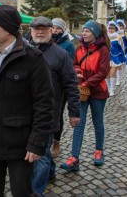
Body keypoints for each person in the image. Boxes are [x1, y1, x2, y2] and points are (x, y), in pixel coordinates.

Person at [0, 5, 54, 196]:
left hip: (20, 144)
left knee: (21, 192)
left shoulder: (33, 58)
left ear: (8, 28)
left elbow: (45, 104)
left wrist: (37, 142)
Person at [29, 17, 80, 196]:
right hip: (26, 112)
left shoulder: (61, 55)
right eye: (36, 29)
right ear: (31, 30)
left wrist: (74, 112)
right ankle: (50, 173)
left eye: (44, 29)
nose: (40, 32)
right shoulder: (24, 51)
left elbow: (71, 85)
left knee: (40, 153)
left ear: (52, 31)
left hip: (49, 113)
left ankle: (36, 192)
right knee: (40, 150)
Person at [60, 21, 110, 171]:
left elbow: (103, 72)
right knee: (78, 123)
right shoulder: (79, 48)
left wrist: (86, 83)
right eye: (84, 31)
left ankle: (99, 152)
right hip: (82, 92)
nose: (84, 33)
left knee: (98, 122)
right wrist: (79, 75)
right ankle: (74, 158)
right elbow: (74, 64)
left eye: (87, 31)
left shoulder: (103, 50)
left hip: (98, 91)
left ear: (95, 34)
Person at [50, 17, 76, 159]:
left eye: (58, 28)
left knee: (57, 114)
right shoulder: (47, 42)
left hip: (60, 86)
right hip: (47, 85)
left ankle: (56, 142)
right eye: (53, 28)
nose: (55, 30)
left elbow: (69, 67)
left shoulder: (68, 45)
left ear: (63, 29)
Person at [106, 21, 126, 96]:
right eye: (109, 29)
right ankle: (108, 88)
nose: (111, 30)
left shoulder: (119, 38)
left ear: (115, 29)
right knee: (107, 75)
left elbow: (122, 48)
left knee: (112, 73)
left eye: (112, 29)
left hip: (115, 57)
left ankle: (112, 90)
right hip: (107, 57)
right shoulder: (105, 37)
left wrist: (122, 58)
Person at [116, 19, 127, 86]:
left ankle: (118, 79)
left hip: (123, 51)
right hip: (115, 51)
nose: (120, 27)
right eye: (119, 26)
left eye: (121, 26)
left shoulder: (125, 34)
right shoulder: (114, 34)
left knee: (119, 65)